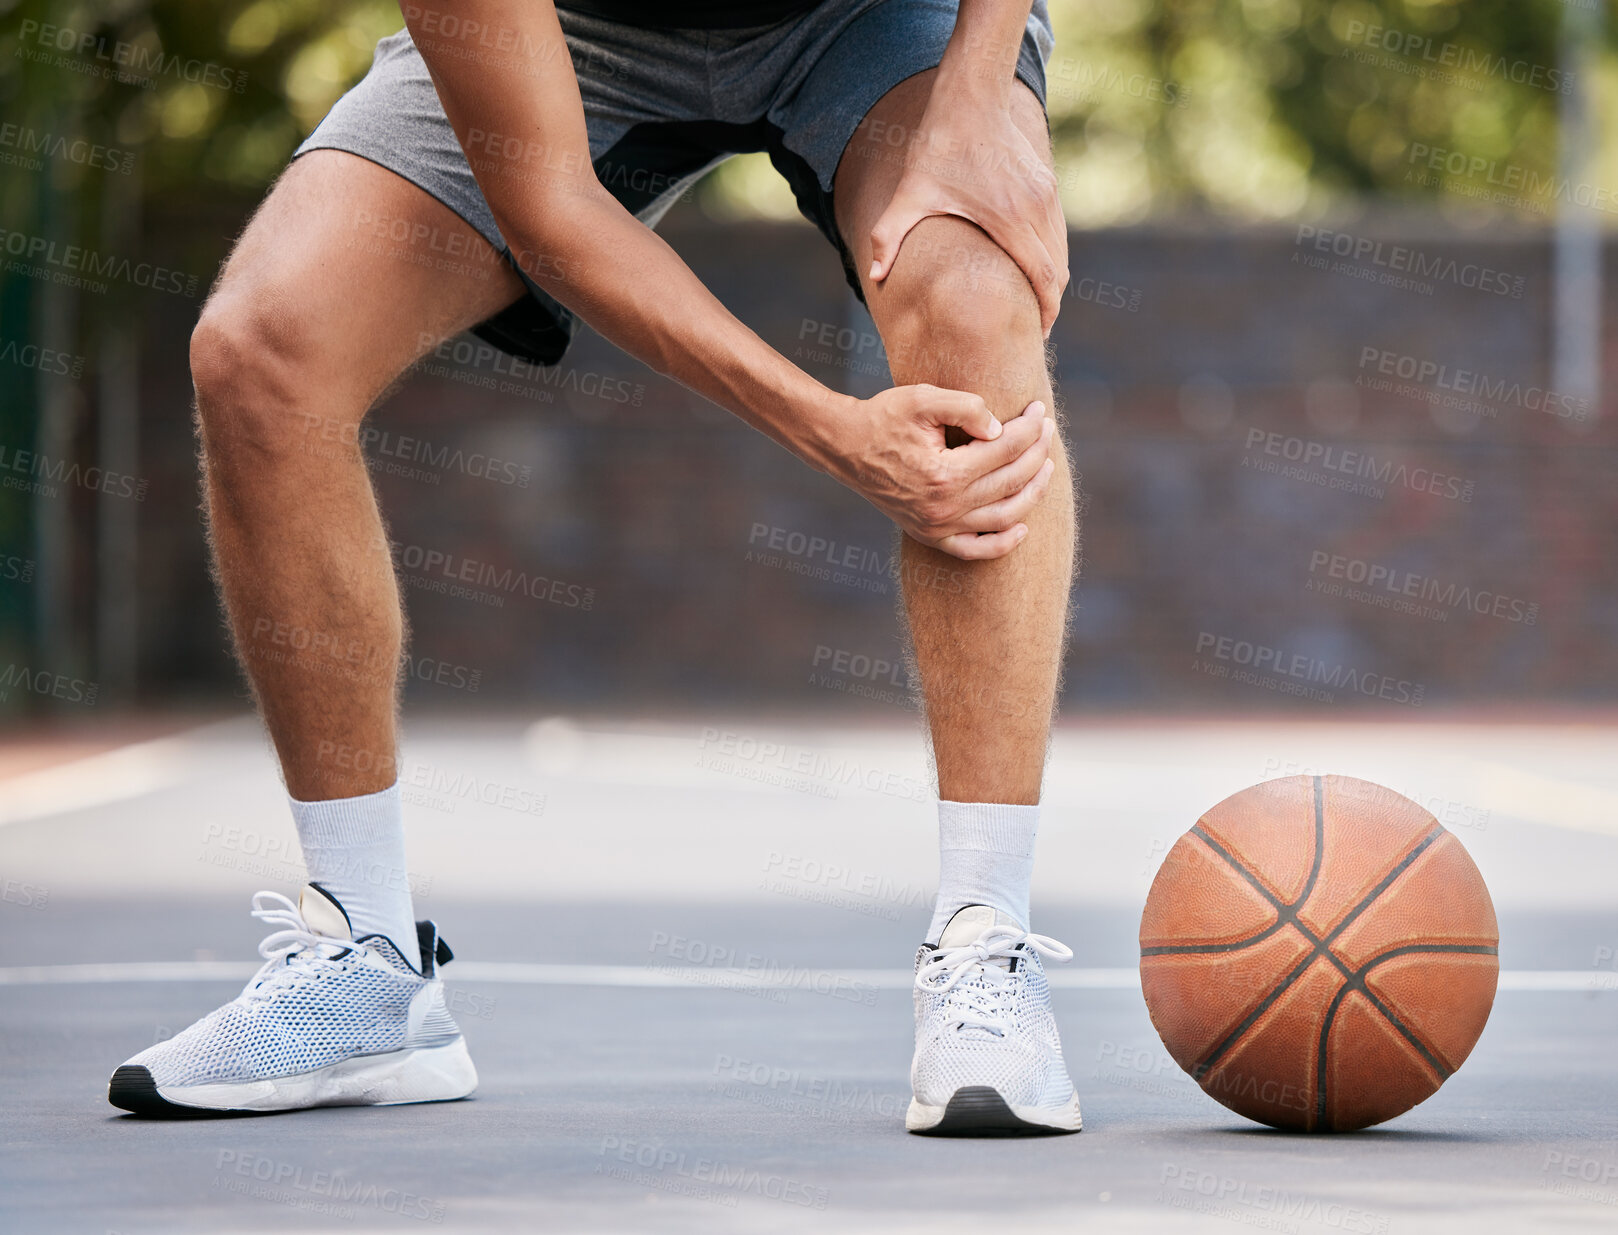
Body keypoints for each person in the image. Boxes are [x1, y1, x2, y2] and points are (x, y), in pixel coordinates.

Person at [109, 0, 1081, 1136]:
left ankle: (985, 942)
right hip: (575, 27)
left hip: (872, 16)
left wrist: (971, 105)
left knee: (968, 287)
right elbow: (553, 212)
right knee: (260, 348)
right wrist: (830, 430)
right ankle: (362, 962)